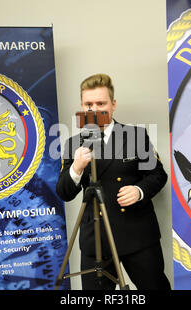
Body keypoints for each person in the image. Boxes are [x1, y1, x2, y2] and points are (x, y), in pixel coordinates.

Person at [56, 73, 170, 290]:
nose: (95, 109)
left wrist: (139, 190)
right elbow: (64, 192)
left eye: (101, 103)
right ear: (82, 105)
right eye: (89, 104)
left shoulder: (135, 135)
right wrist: (76, 167)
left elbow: (158, 175)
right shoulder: (74, 144)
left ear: (113, 104)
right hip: (96, 239)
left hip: (136, 234)